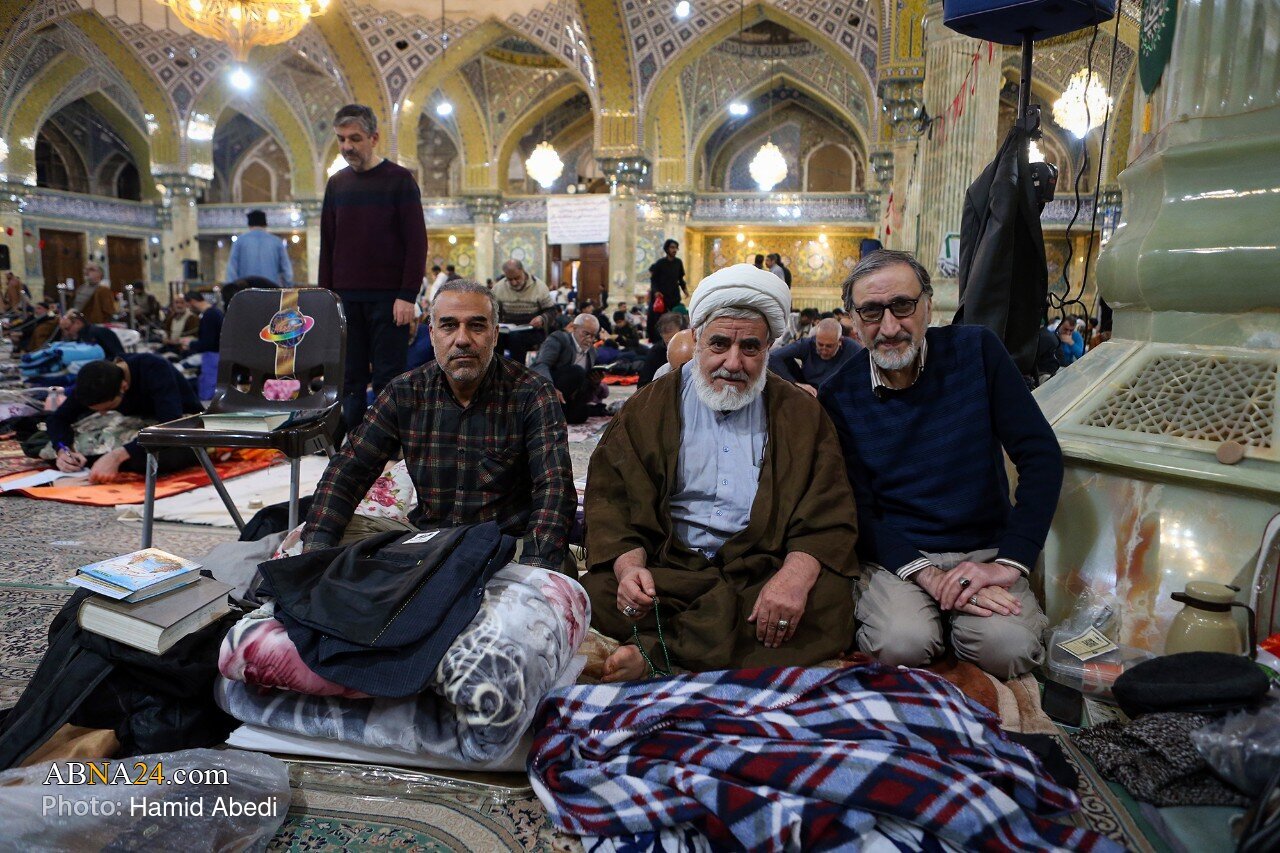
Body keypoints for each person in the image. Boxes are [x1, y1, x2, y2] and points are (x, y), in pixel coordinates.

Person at [583, 263, 858, 681]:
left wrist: (793, 580)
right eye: (719, 344)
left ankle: (659, 652)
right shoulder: (648, 408)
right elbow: (613, 502)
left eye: (750, 347)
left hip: (760, 569)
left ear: (769, 348)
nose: (734, 362)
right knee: (596, 593)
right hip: (670, 569)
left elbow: (827, 514)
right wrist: (629, 569)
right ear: (695, 340)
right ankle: (709, 645)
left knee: (829, 601)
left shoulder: (801, 414)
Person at [819, 249, 1062, 679]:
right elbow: (857, 507)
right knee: (901, 643)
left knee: (1008, 649)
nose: (890, 327)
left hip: (983, 546)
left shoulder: (977, 351)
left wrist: (1007, 563)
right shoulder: (839, 394)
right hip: (900, 559)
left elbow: (1040, 455)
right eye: (872, 312)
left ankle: (959, 620)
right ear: (852, 321)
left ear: (928, 305)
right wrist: (929, 577)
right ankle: (940, 616)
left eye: (903, 306)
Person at [304, 279, 575, 570]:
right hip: (429, 542)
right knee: (321, 534)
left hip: (504, 545)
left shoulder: (532, 393)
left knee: (554, 570)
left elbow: (554, 485)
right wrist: (315, 548)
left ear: (495, 335)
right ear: (432, 334)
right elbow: (349, 470)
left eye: (477, 326)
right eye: (448, 326)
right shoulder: (404, 392)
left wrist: (535, 567)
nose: (462, 339)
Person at [319, 103, 428, 434]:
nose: (347, 147)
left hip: (389, 300)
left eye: (354, 138)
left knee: (388, 375)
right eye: (341, 139)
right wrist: (326, 300)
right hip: (346, 299)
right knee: (349, 376)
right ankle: (354, 442)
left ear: (374, 138)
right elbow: (328, 245)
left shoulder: (399, 181)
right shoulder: (337, 184)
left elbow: (416, 243)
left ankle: (387, 442)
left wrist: (407, 295)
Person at [47, 354, 201, 484]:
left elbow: (170, 426)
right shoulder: (94, 380)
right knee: (59, 443)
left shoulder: (154, 368)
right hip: (134, 422)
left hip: (179, 421)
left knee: (161, 455)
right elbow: (58, 418)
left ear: (124, 386)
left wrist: (117, 456)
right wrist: (62, 450)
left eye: (108, 408)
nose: (102, 413)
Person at [530, 312, 603, 424]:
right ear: (574, 328)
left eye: (593, 336)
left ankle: (556, 413)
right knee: (577, 371)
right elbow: (540, 365)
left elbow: (584, 389)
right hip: (547, 389)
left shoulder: (592, 352)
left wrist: (595, 383)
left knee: (582, 414)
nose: (590, 339)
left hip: (566, 398)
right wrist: (551, 388)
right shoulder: (558, 339)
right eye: (586, 334)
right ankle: (543, 410)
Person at [767, 318, 861, 395]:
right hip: (808, 387)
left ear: (840, 341)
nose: (824, 350)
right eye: (820, 344)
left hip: (837, 390)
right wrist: (795, 384)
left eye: (829, 346)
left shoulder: (852, 348)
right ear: (815, 338)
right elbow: (773, 357)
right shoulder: (806, 344)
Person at [492, 259, 556, 366]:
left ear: (522, 271)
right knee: (495, 337)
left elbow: (551, 311)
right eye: (509, 279)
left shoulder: (539, 287)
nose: (514, 282)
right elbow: (493, 311)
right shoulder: (499, 287)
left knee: (516, 337)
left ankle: (518, 372)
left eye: (517, 278)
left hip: (532, 330)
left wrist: (541, 318)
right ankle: (497, 372)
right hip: (508, 329)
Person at [225, 210, 293, 286]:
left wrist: (232, 289)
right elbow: (287, 271)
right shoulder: (276, 242)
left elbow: (231, 270)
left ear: (249, 225)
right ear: (265, 224)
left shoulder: (239, 241)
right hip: (272, 290)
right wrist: (288, 286)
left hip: (246, 291)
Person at [183, 291, 224, 399]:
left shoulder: (209, 315)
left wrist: (190, 344)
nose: (189, 309)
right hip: (217, 356)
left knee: (208, 396)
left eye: (188, 306)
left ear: (192, 302)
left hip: (212, 357)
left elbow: (208, 343)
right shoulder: (215, 312)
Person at [647, 239, 687, 344]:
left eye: (675, 248)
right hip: (661, 297)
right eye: (672, 247)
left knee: (675, 319)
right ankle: (659, 342)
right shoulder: (660, 263)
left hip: (674, 296)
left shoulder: (678, 262)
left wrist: (685, 290)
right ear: (667, 249)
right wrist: (656, 292)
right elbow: (653, 280)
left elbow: (680, 279)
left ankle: (676, 341)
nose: (674, 250)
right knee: (660, 320)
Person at [638, 312, 687, 388]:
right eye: (668, 343)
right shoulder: (656, 352)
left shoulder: (695, 349)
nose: (672, 347)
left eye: (675, 341)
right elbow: (642, 386)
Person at [56, 310, 125, 360]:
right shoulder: (79, 337)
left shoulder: (100, 332)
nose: (66, 333)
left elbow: (118, 355)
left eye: (67, 329)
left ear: (78, 323)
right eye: (63, 331)